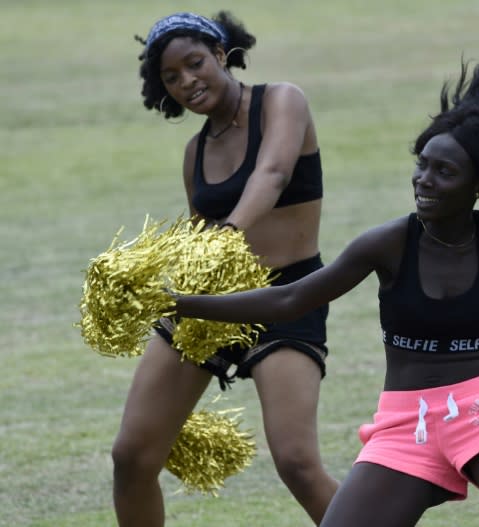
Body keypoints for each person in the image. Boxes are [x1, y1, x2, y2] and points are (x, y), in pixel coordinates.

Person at [174, 39, 479, 526]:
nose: (424, 179)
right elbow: (291, 297)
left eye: (444, 171)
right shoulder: (387, 243)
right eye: (422, 164)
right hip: (404, 424)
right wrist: (183, 304)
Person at [111, 11, 338, 527]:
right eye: (171, 78)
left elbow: (275, 172)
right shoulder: (196, 153)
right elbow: (198, 239)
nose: (187, 82)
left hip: (287, 297)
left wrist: (230, 231)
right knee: (133, 457)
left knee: (297, 464)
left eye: (194, 64)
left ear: (220, 54)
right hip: (213, 300)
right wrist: (152, 282)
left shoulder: (282, 100)